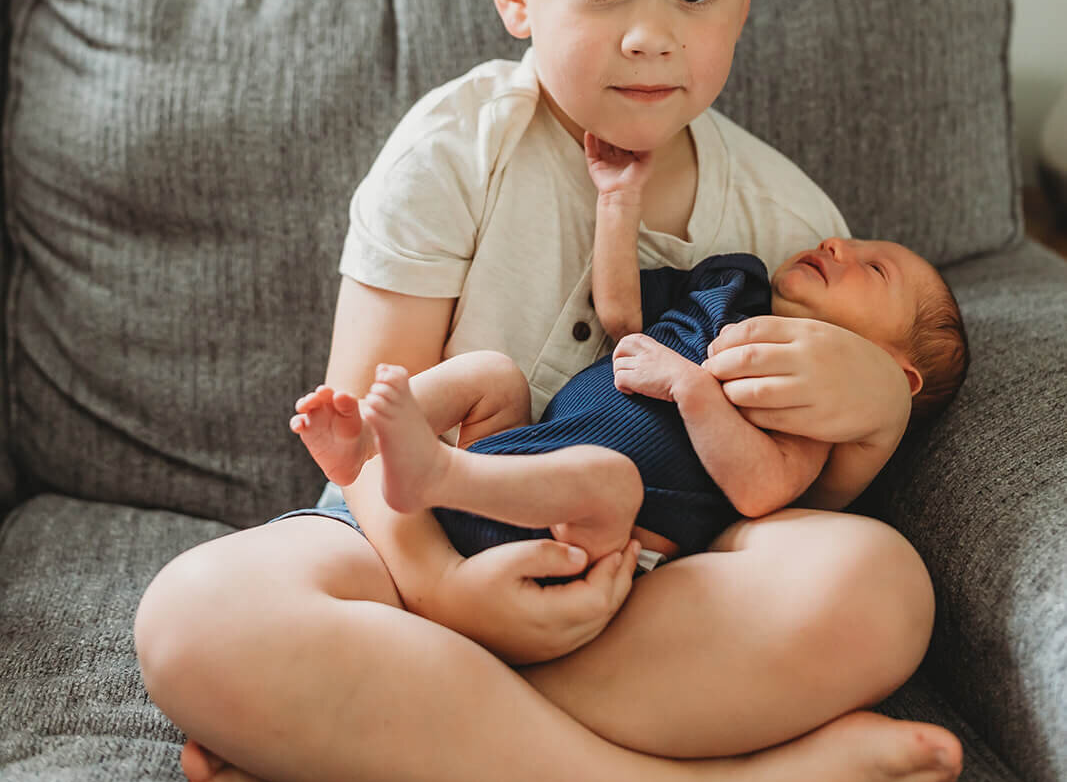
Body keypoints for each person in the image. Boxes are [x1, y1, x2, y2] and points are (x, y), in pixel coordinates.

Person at [135, 0, 964, 782]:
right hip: (405, 546)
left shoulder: (785, 221)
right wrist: (439, 589)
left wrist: (877, 403)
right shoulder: (453, 148)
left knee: (877, 586)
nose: (647, 32)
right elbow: (358, 430)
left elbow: (791, 496)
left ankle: (377, 751)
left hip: (637, 586)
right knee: (195, 618)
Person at [289, 135, 969, 586]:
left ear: (891, 367)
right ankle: (369, 446)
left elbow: (761, 491)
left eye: (872, 269)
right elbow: (620, 318)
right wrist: (617, 201)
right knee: (491, 375)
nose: (837, 245)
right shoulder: (730, 284)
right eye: (848, 243)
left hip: (595, 537)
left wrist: (691, 388)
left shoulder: (812, 399)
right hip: (517, 458)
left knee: (607, 477)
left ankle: (435, 473)